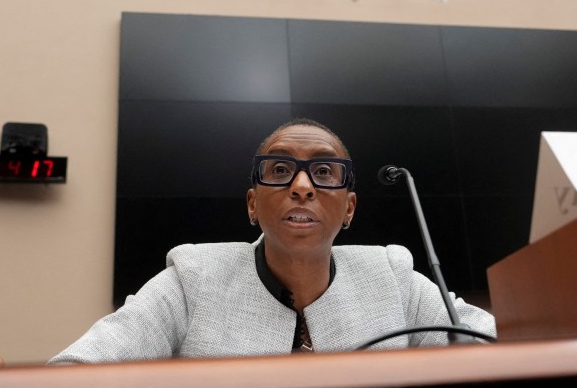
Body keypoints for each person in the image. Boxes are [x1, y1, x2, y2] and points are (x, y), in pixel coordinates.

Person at [49, 118, 495, 363]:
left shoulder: (391, 275)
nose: (302, 186)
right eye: (279, 170)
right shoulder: (192, 279)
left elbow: (502, 347)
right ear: (251, 205)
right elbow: (79, 369)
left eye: (324, 172)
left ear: (351, 208)